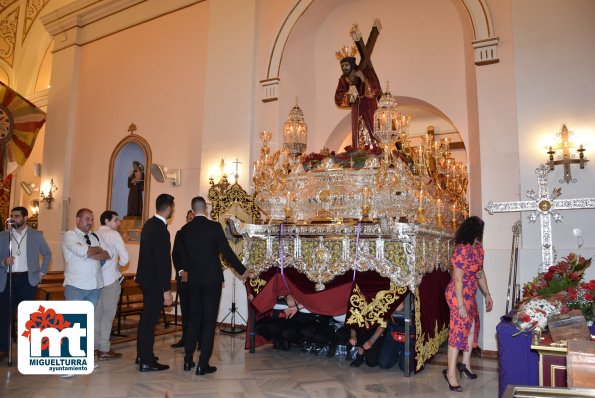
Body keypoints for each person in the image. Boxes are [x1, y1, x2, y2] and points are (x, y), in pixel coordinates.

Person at [174, 196, 248, 375]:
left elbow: (181, 257)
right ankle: (203, 364)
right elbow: (227, 252)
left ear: (192, 210)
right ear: (205, 209)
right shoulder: (214, 227)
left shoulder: (184, 230)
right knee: (208, 322)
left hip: (193, 281)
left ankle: (187, 360)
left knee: (193, 320)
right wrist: (242, 270)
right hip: (212, 281)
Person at [444, 216, 493, 392]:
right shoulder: (461, 249)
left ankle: (464, 365)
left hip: (469, 294)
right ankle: (451, 374)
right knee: (458, 333)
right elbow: (457, 279)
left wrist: (487, 294)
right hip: (457, 295)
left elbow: (480, 273)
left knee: (471, 328)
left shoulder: (478, 248)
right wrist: (461, 305)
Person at [0, 207, 52, 360]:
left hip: (27, 280)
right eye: (12, 216)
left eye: (16, 216)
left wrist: (41, 274)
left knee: (28, 315)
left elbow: (47, 254)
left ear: (25, 217)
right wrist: (3, 261)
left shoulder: (36, 235)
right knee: (4, 315)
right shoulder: (3, 236)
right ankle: (3, 348)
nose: (13, 219)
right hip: (7, 279)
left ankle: (29, 349)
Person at [135, 193, 175, 372]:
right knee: (149, 322)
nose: (173, 209)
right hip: (155, 283)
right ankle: (146, 360)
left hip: (146, 280)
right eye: (172, 206)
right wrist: (166, 289)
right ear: (168, 208)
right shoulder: (160, 229)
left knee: (145, 320)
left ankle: (141, 354)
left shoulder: (149, 224)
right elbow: (162, 262)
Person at [94, 210, 129, 360]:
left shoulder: (94, 234)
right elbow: (125, 259)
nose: (119, 223)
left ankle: (94, 347)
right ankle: (104, 349)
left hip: (95, 281)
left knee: (96, 315)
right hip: (110, 280)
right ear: (107, 221)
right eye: (116, 220)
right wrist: (117, 266)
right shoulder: (113, 234)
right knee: (108, 316)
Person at [62, 208, 111, 305]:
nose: (90, 222)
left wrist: (88, 252)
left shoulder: (96, 236)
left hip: (94, 287)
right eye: (87, 219)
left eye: (92, 219)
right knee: (74, 319)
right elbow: (81, 251)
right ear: (78, 220)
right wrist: (98, 248)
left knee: (88, 319)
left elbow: (108, 254)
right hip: (75, 286)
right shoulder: (70, 235)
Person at [334, 51, 382, 149]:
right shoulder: (343, 79)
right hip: (356, 107)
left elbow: (376, 88)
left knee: (372, 128)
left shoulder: (366, 71)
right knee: (357, 131)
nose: (344, 68)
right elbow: (338, 97)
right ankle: (359, 150)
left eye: (346, 65)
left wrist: (364, 79)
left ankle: (375, 148)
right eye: (342, 66)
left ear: (352, 64)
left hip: (369, 104)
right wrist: (349, 94)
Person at [170, 209, 194, 348]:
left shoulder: (200, 235)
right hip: (182, 277)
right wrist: (181, 271)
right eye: (189, 218)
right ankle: (185, 338)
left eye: (193, 218)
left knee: (197, 310)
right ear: (186, 219)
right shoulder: (180, 233)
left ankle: (198, 339)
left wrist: (193, 272)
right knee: (185, 309)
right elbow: (175, 255)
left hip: (196, 278)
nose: (190, 220)